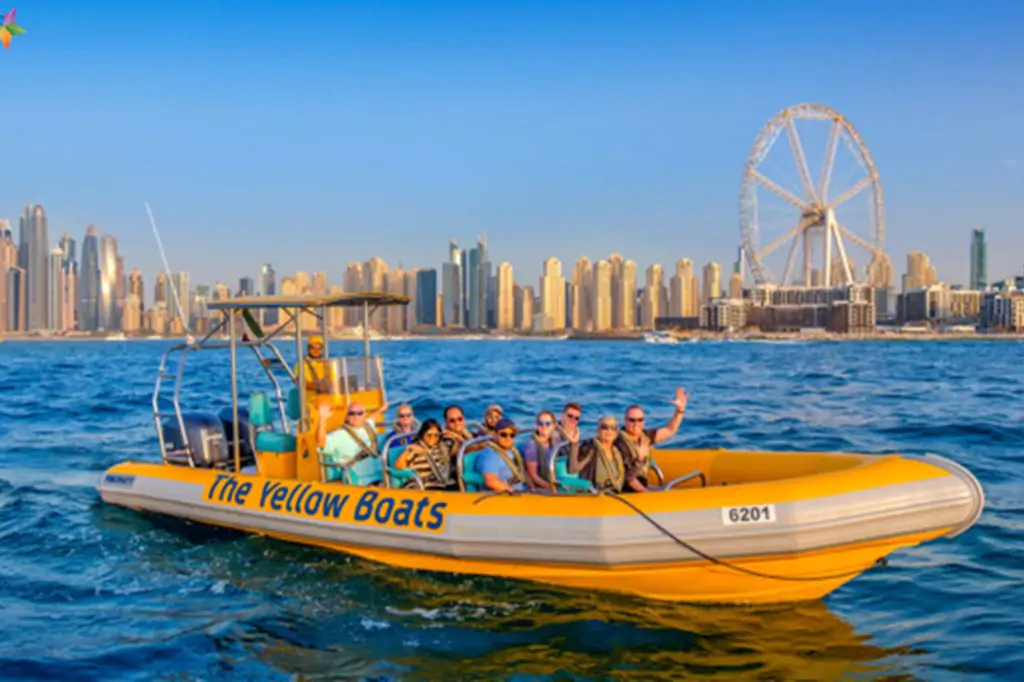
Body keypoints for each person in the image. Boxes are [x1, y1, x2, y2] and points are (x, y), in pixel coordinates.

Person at [615, 388, 689, 492]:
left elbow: (670, 430)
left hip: (642, 485)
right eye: (632, 420)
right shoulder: (619, 443)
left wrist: (680, 410)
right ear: (625, 421)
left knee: (674, 494)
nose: (636, 424)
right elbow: (629, 480)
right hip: (627, 491)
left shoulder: (645, 436)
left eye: (640, 420)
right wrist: (648, 495)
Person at [316, 400, 388, 481]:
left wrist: (381, 409)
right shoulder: (339, 435)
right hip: (357, 475)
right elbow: (321, 443)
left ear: (364, 415)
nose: (355, 416)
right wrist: (322, 418)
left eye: (359, 413)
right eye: (352, 413)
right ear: (347, 416)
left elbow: (372, 417)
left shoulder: (367, 426)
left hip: (375, 469)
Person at [569, 415, 627, 492]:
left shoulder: (618, 452)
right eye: (604, 427)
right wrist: (574, 444)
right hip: (594, 496)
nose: (609, 431)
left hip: (615, 495)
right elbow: (573, 469)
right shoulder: (589, 449)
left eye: (613, 428)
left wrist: (640, 458)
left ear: (616, 432)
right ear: (598, 430)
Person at [394, 418, 451, 489]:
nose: (433, 438)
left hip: (440, 483)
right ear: (422, 434)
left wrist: (457, 437)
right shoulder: (417, 448)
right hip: (424, 485)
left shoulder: (442, 448)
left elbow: (451, 455)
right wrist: (409, 449)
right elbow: (399, 466)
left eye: (436, 435)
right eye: (429, 435)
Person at [474, 418, 528, 492]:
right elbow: (492, 482)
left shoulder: (511, 451)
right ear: (494, 434)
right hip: (505, 496)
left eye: (512, 435)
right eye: (504, 434)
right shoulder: (490, 455)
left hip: (522, 489)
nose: (508, 438)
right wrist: (514, 492)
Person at [521, 410, 557, 490]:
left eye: (547, 423)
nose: (544, 426)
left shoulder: (552, 443)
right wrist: (550, 487)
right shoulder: (531, 447)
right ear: (537, 425)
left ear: (553, 425)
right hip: (537, 487)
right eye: (540, 423)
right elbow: (533, 476)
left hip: (549, 480)